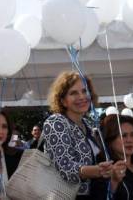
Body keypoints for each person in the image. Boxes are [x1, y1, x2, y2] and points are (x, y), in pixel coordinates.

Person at [43, 71, 113, 199]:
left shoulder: (87, 124)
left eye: (84, 91)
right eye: (73, 93)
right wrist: (97, 171)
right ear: (63, 101)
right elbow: (65, 167)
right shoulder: (56, 122)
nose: (81, 97)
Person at [92, 115, 133, 200]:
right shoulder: (103, 171)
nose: (129, 140)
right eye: (123, 135)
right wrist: (113, 182)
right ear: (110, 140)